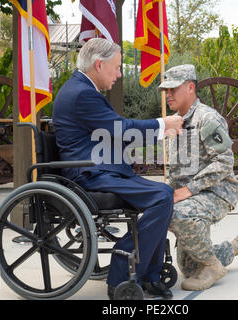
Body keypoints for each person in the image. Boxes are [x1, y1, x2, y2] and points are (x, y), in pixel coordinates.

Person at [52, 38, 183, 300]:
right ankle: (123, 269)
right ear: (99, 65)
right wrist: (162, 124)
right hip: (89, 175)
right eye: (117, 67)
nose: (120, 74)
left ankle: (150, 274)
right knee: (162, 196)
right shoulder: (82, 94)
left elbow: (113, 132)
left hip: (99, 169)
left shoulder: (81, 89)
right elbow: (119, 128)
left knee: (164, 194)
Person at [158, 64, 238, 291]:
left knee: (175, 214)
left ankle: (212, 266)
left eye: (173, 89)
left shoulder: (207, 118)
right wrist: (166, 194)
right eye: (166, 91)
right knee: (188, 269)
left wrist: (187, 191)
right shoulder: (175, 122)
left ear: (191, 87)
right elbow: (174, 170)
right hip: (192, 195)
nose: (168, 95)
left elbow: (225, 162)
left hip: (217, 191)